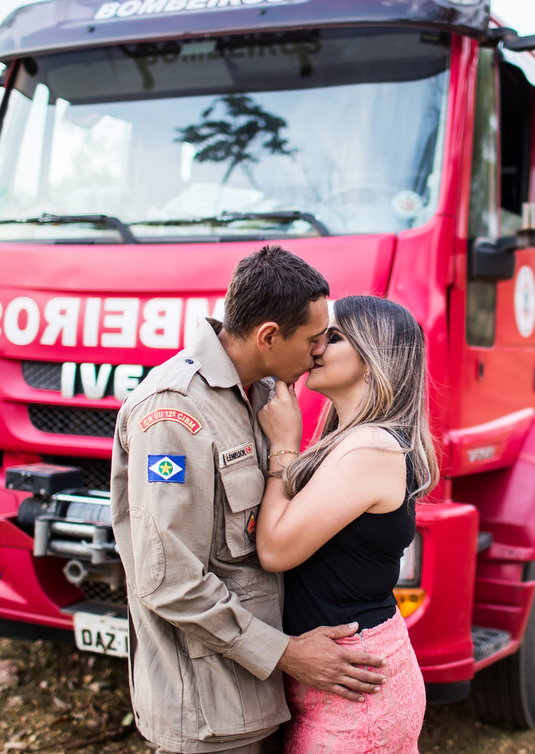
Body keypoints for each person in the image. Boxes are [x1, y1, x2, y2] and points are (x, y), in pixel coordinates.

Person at [110, 246, 386, 754]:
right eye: (313, 339)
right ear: (268, 336)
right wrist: (286, 654)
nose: (320, 351)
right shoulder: (175, 413)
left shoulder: (261, 393)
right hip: (210, 711)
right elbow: (165, 576)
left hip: (256, 696)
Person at [256, 295, 438, 753]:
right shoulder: (356, 440)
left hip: (354, 694)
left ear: (373, 358)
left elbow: (276, 549)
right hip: (345, 677)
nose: (314, 346)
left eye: (331, 337)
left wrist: (284, 444)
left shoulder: (369, 448)